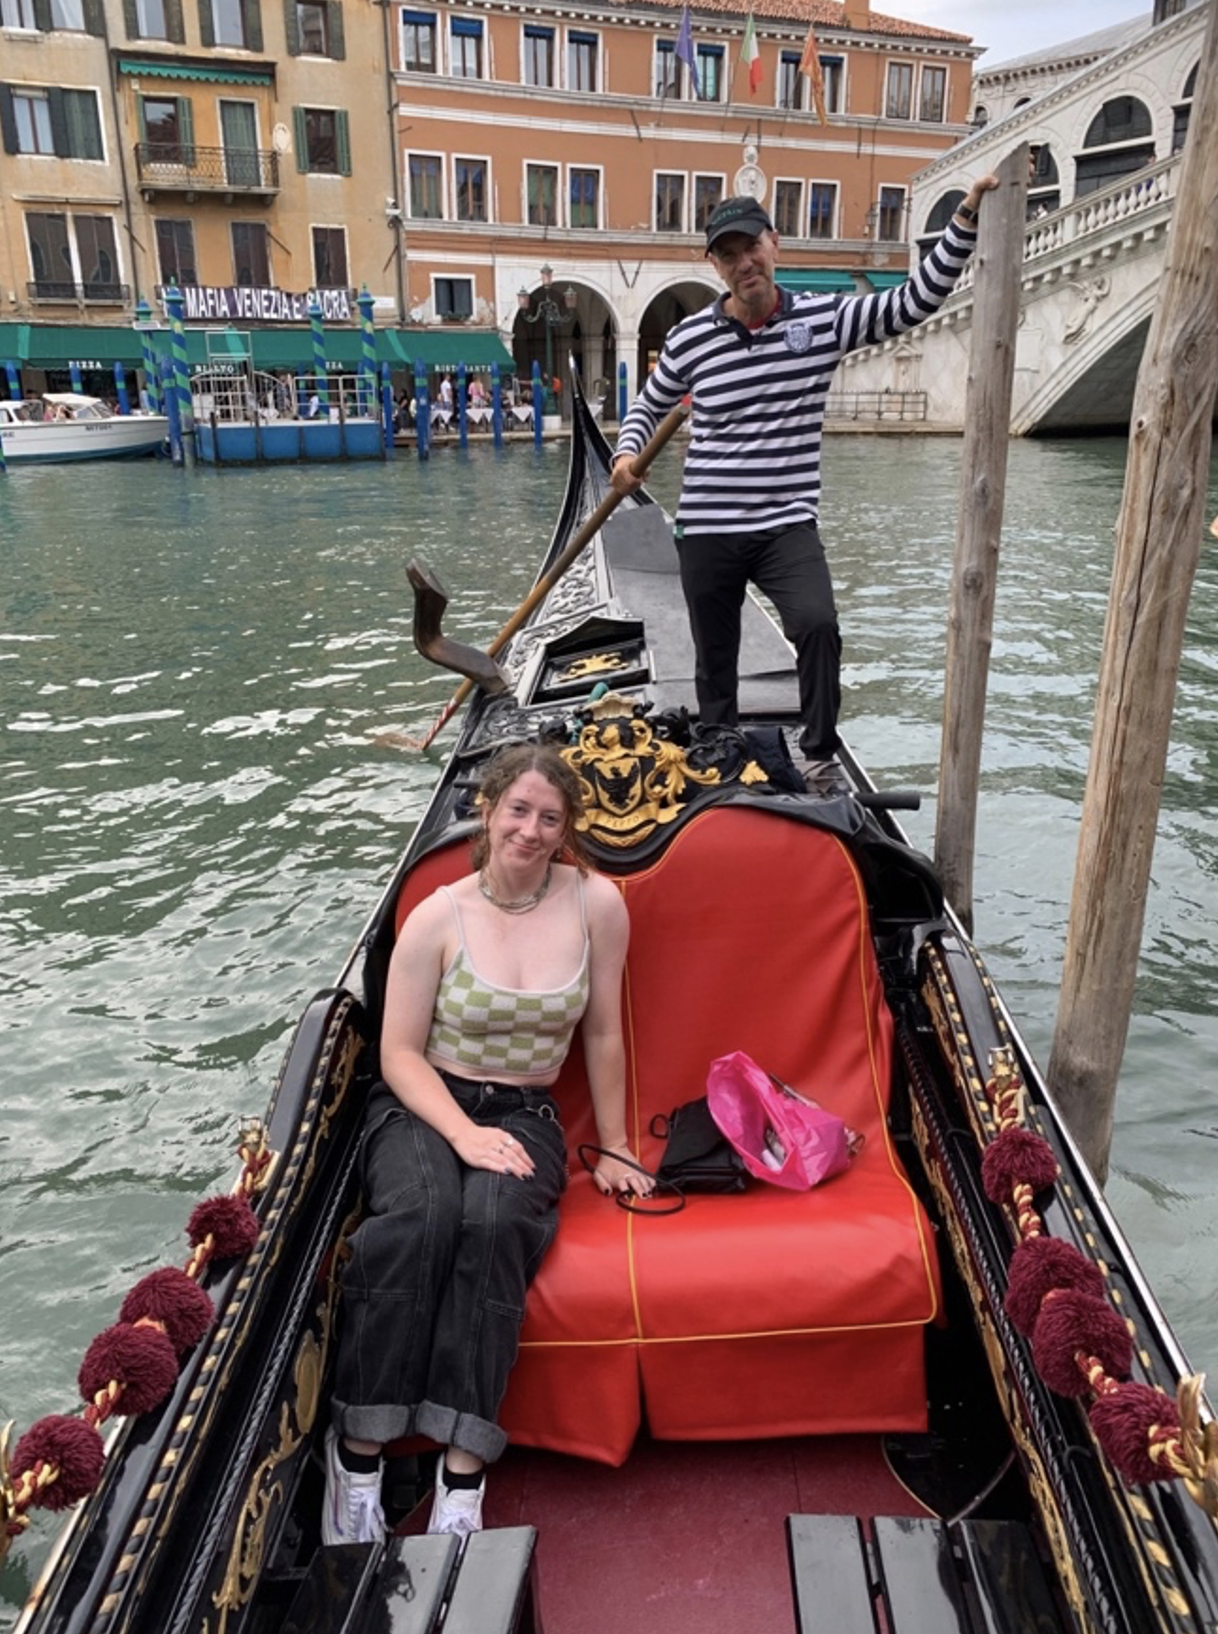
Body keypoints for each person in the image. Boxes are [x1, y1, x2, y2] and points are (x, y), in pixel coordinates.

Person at [323, 743, 652, 1546]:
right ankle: (358, 1460)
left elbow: (604, 1032)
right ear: (488, 811)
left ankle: (462, 1469)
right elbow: (397, 1053)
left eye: (550, 818)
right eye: (519, 811)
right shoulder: (438, 914)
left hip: (526, 1115)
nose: (532, 831)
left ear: (567, 828)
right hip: (423, 1104)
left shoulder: (596, 905)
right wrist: (463, 1133)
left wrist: (614, 1146)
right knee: (419, 1222)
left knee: (495, 1225)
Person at [610, 181, 998, 795]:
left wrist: (965, 218)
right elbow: (646, 406)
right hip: (707, 527)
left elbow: (913, 303)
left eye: (752, 247)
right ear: (715, 265)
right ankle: (721, 751)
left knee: (817, 626)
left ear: (774, 245)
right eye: (728, 254)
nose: (744, 263)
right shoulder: (689, 340)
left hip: (784, 523)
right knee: (715, 657)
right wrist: (627, 453)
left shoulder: (822, 319)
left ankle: (818, 756)